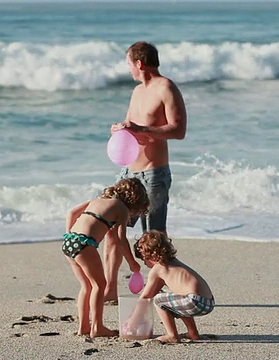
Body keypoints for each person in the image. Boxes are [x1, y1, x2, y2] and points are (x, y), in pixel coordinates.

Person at [103, 40, 187, 302]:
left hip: (153, 174)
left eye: (129, 64)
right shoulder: (137, 91)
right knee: (110, 227)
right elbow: (133, 127)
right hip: (128, 174)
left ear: (139, 63)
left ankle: (162, 290)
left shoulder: (166, 88)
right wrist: (121, 129)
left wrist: (145, 131)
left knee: (154, 240)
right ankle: (109, 288)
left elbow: (178, 130)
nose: (128, 69)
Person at [62, 178, 149, 338]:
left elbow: (71, 213)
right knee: (99, 285)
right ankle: (97, 327)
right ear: (135, 200)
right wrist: (132, 263)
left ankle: (84, 327)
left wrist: (70, 234)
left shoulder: (98, 200)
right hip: (84, 244)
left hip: (69, 242)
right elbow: (120, 238)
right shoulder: (121, 208)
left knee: (86, 286)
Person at [124, 230, 214, 343]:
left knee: (158, 299)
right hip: (208, 302)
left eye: (144, 260)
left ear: (152, 255)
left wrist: (133, 321)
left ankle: (172, 335)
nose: (145, 264)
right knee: (175, 298)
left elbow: (146, 297)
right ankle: (193, 333)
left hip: (195, 302)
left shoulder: (158, 269)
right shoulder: (174, 262)